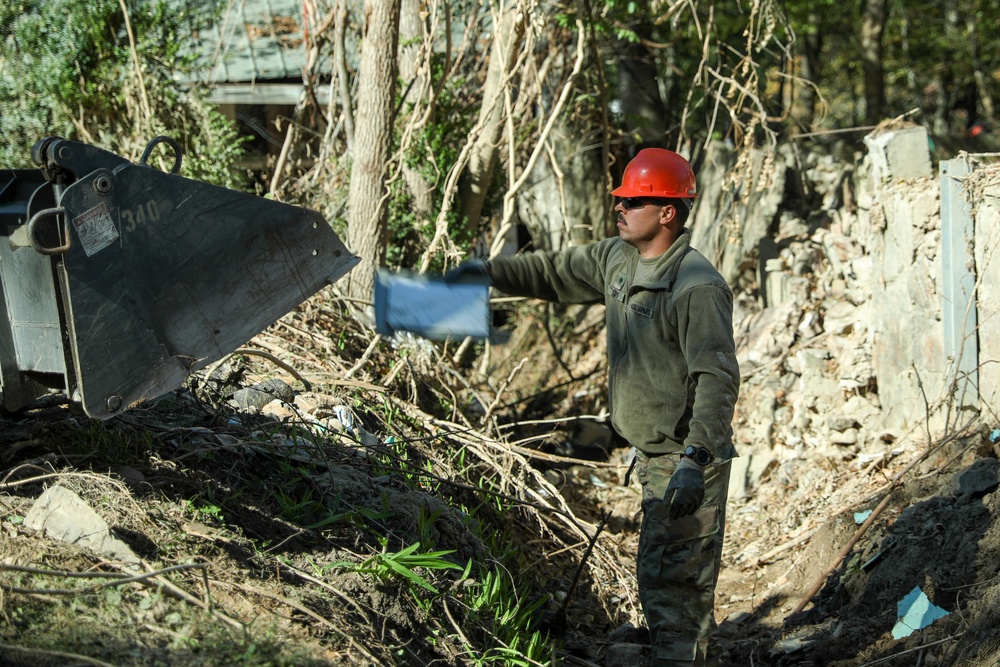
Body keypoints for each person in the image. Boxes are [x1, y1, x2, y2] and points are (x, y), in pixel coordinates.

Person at [452, 148, 740, 666]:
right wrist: (489, 272)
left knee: (675, 596)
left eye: (632, 200)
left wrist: (696, 460)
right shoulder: (618, 259)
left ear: (668, 212)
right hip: (652, 456)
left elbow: (716, 378)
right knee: (659, 584)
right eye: (620, 199)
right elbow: (554, 272)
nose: (619, 207)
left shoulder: (697, 286)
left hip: (684, 462)